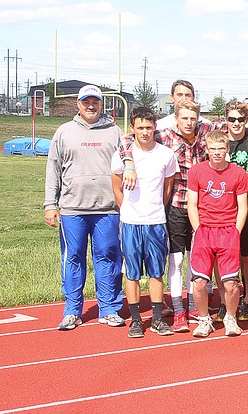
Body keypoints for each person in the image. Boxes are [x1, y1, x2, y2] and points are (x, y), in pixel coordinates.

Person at [44, 85, 124, 331]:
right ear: (78, 104)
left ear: (101, 105)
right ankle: (72, 310)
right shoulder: (64, 132)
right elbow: (53, 170)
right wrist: (50, 204)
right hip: (73, 209)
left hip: (108, 209)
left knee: (108, 258)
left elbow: (127, 167)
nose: (91, 106)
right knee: (73, 258)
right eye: (86, 102)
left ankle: (109, 309)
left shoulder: (114, 132)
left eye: (95, 102)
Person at [110, 107, 179, 338]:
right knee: (132, 273)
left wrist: (155, 208)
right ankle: (137, 320)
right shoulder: (122, 156)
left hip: (156, 222)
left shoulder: (166, 155)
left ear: (155, 128)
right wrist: (128, 209)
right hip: (130, 222)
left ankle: (158, 319)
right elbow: (116, 187)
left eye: (149, 127)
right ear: (133, 128)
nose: (145, 132)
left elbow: (168, 188)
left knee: (156, 272)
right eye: (140, 127)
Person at [186, 130, 248, 338]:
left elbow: (243, 207)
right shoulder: (196, 172)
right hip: (204, 231)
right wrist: (198, 230)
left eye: (221, 148)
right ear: (206, 149)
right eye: (212, 148)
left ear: (227, 150)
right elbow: (192, 204)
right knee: (199, 282)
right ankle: (204, 320)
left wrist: (235, 231)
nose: (216, 153)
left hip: (228, 232)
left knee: (231, 283)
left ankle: (231, 318)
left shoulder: (238, 174)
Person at [224, 100, 248, 322]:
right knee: (226, 255)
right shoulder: (219, 141)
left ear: (246, 120)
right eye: (232, 119)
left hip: (245, 203)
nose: (236, 123)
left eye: (240, 119)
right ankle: (225, 300)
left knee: (246, 256)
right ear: (225, 120)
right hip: (223, 205)